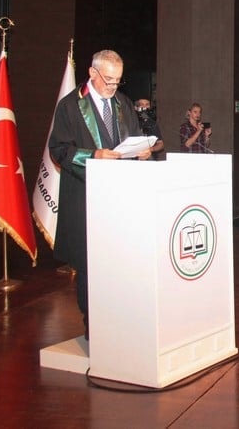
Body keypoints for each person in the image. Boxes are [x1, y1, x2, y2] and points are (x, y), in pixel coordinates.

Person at [49, 49, 152, 339]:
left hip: (120, 200)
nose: (114, 87)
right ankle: (93, 329)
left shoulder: (123, 103)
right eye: (108, 80)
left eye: (118, 81)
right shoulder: (70, 106)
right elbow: (59, 150)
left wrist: (140, 151)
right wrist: (94, 155)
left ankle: (121, 323)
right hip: (86, 198)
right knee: (90, 267)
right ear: (92, 73)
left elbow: (129, 139)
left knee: (120, 265)